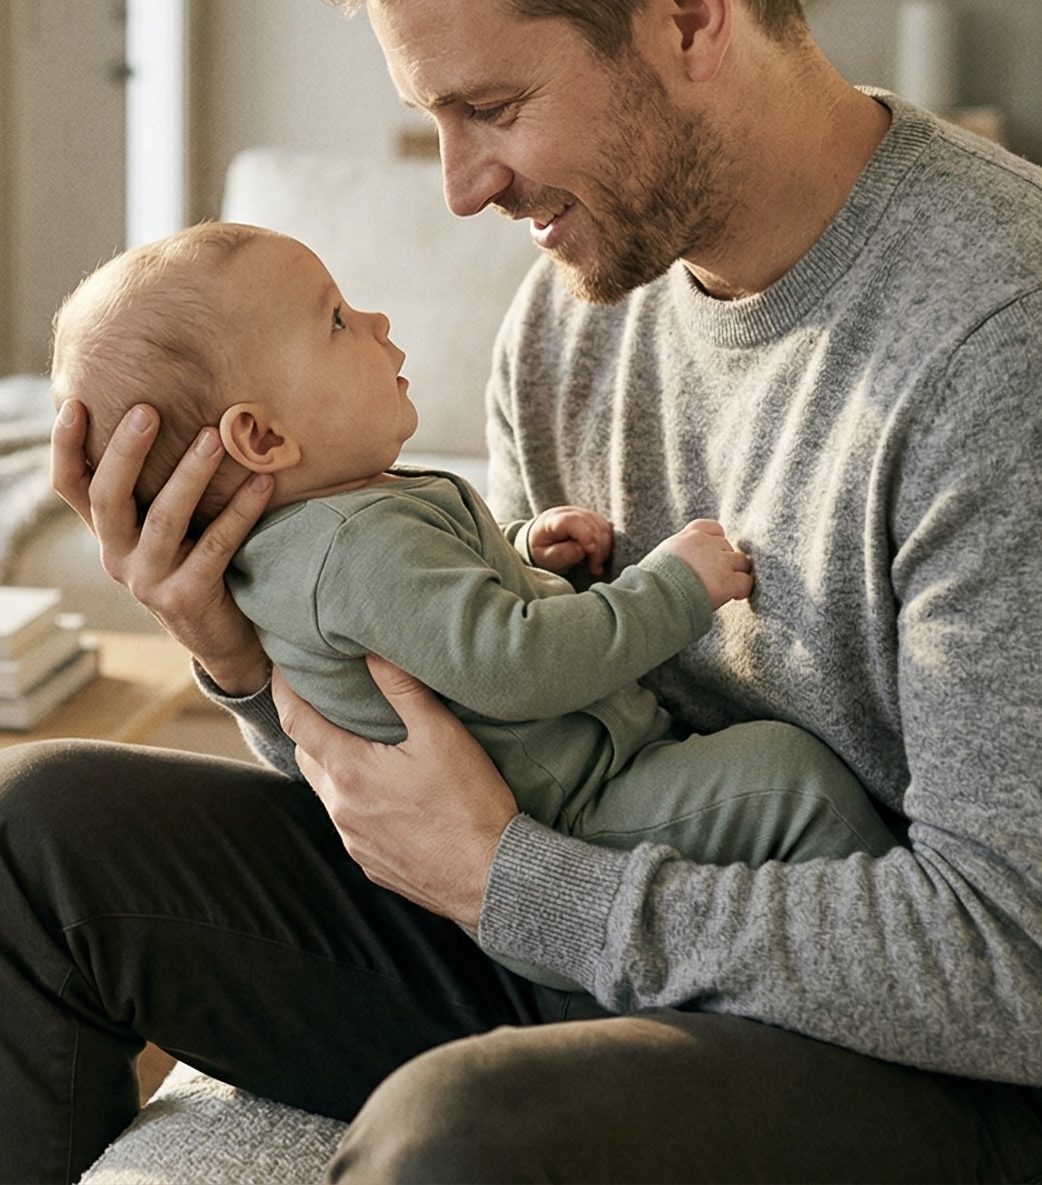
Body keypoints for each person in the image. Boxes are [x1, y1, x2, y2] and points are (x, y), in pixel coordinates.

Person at [0, 0, 1042, 1183]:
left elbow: (1025, 980)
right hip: (612, 905)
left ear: (688, 12)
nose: (464, 188)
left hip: (994, 1087)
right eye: (436, 120)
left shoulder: (1032, 345)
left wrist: (519, 891)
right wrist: (247, 658)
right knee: (17, 837)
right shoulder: (581, 308)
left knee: (459, 1138)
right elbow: (487, 763)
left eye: (493, 108)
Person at [46, 221, 895, 991]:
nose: (376, 322)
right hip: (573, 825)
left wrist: (525, 550)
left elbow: (439, 616)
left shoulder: (335, 530)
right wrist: (674, 588)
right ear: (261, 438)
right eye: (337, 320)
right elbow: (513, 664)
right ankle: (865, 985)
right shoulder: (353, 546)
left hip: (541, 825)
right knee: (796, 783)